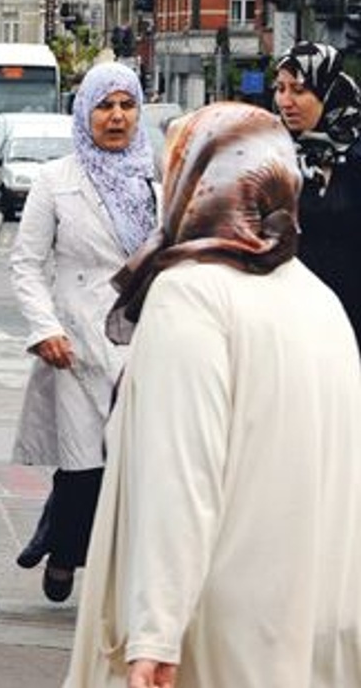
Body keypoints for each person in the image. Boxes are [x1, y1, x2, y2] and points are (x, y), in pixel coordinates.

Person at [67, 103, 361, 687]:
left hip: (210, 639)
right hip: (309, 629)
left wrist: (155, 631)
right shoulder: (318, 300)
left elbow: (181, 475)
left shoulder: (192, 295)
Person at [10, 61, 157, 603]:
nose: (116, 116)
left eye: (126, 104)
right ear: (84, 112)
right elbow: (26, 263)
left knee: (139, 464)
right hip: (77, 345)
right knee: (83, 466)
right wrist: (45, 328)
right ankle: (66, 549)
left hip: (147, 338)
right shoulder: (55, 180)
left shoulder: (158, 179)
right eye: (104, 105)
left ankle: (126, 575)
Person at [272, 42, 361, 342]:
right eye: (280, 88)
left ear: (330, 91)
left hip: (351, 321)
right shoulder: (275, 156)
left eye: (299, 90)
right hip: (292, 324)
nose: (286, 101)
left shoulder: (356, 158)